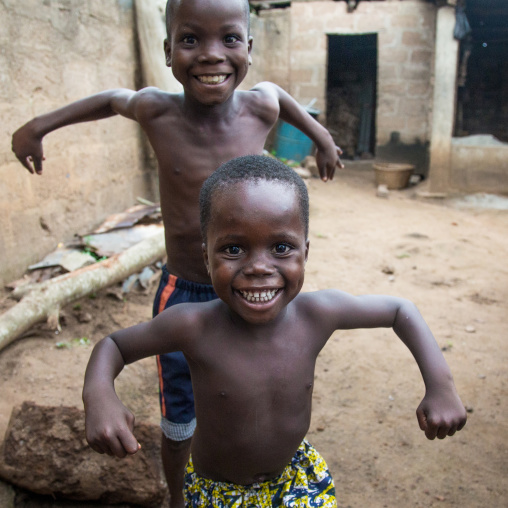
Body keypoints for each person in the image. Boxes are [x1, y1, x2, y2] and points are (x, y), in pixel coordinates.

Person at [11, 1, 343, 505]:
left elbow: (285, 100)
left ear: (249, 49)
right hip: (185, 289)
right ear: (168, 50)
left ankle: (258, 459)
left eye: (230, 39)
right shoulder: (156, 111)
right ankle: (177, 496)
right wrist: (38, 125)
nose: (212, 55)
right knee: (180, 412)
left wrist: (322, 139)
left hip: (255, 285)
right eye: (191, 40)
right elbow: (110, 99)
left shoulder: (262, 106)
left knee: (255, 382)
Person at [83, 154, 467, 507]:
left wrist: (441, 384)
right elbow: (113, 346)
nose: (258, 268)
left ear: (306, 251)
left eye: (281, 248)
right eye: (233, 249)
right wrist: (100, 395)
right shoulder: (192, 325)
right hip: (219, 494)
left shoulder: (318, 314)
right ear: (206, 255)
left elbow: (401, 310)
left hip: (294, 481)